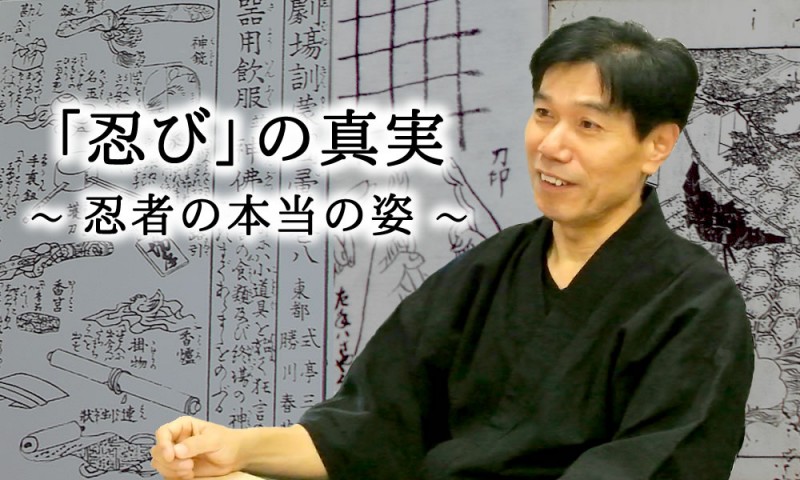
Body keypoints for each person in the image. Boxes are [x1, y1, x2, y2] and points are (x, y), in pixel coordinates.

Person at [151, 16, 754, 480]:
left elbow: (655, 464)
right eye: (544, 114)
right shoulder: (486, 272)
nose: (552, 145)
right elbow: (367, 430)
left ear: (657, 145)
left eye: (588, 125)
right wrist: (236, 447)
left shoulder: (696, 304)